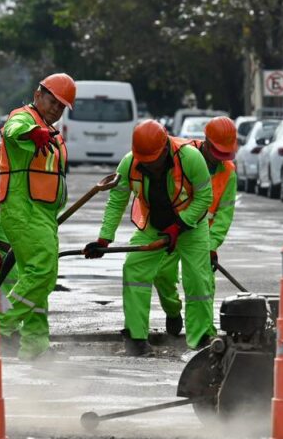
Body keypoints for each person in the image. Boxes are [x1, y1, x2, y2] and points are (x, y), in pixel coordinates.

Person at [85, 119, 216, 356]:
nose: (149, 165)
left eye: (152, 160)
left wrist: (179, 226)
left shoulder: (190, 158)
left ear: (165, 147)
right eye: (144, 160)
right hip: (153, 226)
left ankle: (201, 340)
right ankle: (136, 339)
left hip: (191, 227)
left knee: (198, 280)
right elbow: (116, 202)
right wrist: (104, 239)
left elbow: (204, 197)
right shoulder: (129, 163)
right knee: (133, 269)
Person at [0, 74, 74, 360]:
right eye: (53, 101)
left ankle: (35, 346)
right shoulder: (24, 118)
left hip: (43, 214)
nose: (56, 109)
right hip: (24, 209)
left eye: (62, 106)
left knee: (41, 278)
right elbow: (12, 130)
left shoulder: (50, 130)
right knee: (41, 272)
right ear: (38, 95)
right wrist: (31, 133)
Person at [154, 116, 238, 336]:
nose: (220, 159)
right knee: (161, 274)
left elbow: (224, 215)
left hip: (201, 236)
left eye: (224, 154)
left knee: (202, 285)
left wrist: (212, 245)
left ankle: (204, 335)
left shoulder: (228, 172)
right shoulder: (183, 155)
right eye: (217, 152)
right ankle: (173, 310)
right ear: (206, 142)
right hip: (174, 228)